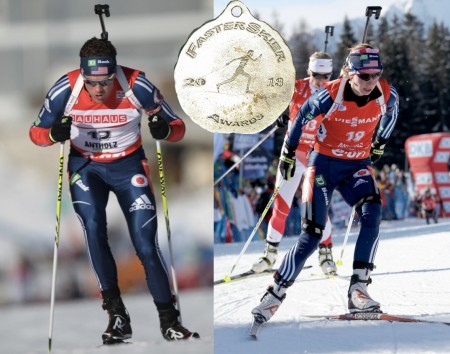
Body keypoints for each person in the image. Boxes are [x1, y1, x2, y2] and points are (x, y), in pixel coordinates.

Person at [29, 37, 199, 343]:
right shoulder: (64, 88)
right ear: (82, 75)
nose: (98, 90)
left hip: (129, 167)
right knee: (93, 228)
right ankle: (117, 316)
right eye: (91, 82)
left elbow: (178, 126)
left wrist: (165, 129)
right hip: (87, 168)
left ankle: (169, 320)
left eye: (105, 82)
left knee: (145, 244)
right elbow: (36, 133)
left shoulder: (137, 85)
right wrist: (54, 133)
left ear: (114, 72)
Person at [252, 43, 399, 324]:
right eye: (364, 76)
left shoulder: (386, 92)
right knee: (312, 234)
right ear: (349, 72)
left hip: (356, 165)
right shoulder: (329, 94)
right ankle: (274, 294)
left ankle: (359, 289)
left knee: (372, 213)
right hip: (323, 166)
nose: (370, 82)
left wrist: (380, 141)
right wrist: (288, 154)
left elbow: (393, 112)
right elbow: (298, 121)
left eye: (375, 75)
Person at [251, 52, 337, 276]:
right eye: (317, 75)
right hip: (292, 153)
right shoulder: (297, 87)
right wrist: (280, 113)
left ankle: (326, 253)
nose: (322, 81)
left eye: (326, 76)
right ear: (309, 72)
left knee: (318, 207)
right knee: (281, 204)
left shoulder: (335, 92)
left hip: (317, 155)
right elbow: (271, 99)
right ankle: (270, 254)